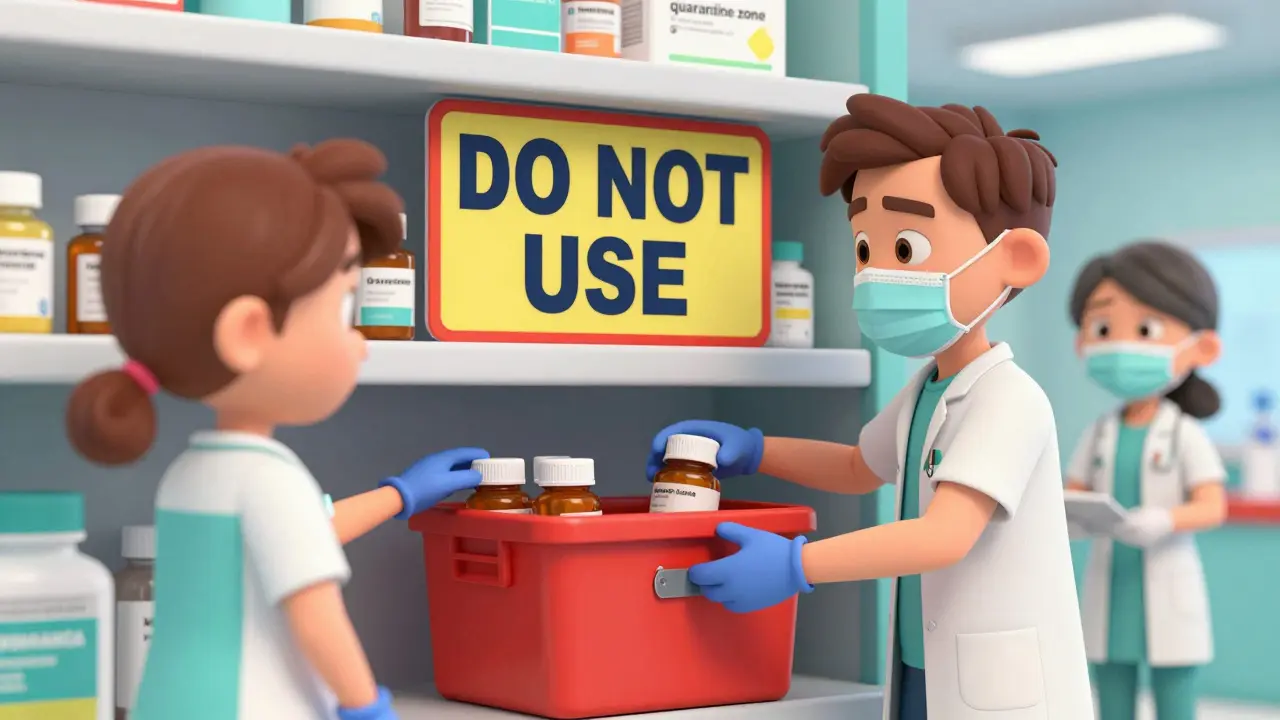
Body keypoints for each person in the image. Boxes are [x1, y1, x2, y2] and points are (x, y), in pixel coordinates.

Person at [646, 95, 1093, 720]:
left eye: (905, 248)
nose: (877, 274)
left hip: (995, 685)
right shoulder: (927, 388)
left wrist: (798, 564)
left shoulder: (1010, 399)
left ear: (1015, 260)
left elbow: (944, 536)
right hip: (922, 667)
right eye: (865, 250)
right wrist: (751, 448)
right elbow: (859, 465)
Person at [65, 140, 487, 720]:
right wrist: (367, 705)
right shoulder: (267, 477)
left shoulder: (193, 471)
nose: (360, 340)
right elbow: (315, 612)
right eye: (343, 308)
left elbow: (297, 535)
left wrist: (402, 495)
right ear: (249, 333)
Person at [1065, 241, 1228, 720]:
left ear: (1200, 348)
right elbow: (1072, 492)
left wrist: (1164, 518)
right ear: (1083, 341)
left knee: (1173, 700)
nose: (1120, 345)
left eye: (1143, 329)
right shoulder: (1097, 434)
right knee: (1110, 699)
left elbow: (1212, 505)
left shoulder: (1185, 433)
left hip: (1166, 580)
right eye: (1102, 328)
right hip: (1110, 587)